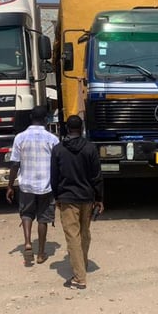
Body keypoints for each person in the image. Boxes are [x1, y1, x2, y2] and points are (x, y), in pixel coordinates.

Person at [50, 115, 104, 290]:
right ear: (82, 128)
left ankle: (79, 278)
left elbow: (54, 176)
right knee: (84, 232)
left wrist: (56, 196)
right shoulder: (90, 149)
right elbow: (97, 176)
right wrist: (99, 198)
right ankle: (83, 264)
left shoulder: (58, 150)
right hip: (87, 197)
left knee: (72, 236)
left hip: (67, 198)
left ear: (66, 128)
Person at [6, 105, 59, 266]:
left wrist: (10, 185)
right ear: (45, 119)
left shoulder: (20, 138)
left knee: (27, 213)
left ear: (31, 118)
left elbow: (15, 164)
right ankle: (41, 253)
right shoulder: (52, 139)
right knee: (43, 218)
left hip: (26, 184)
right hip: (46, 184)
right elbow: (57, 164)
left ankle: (28, 242)